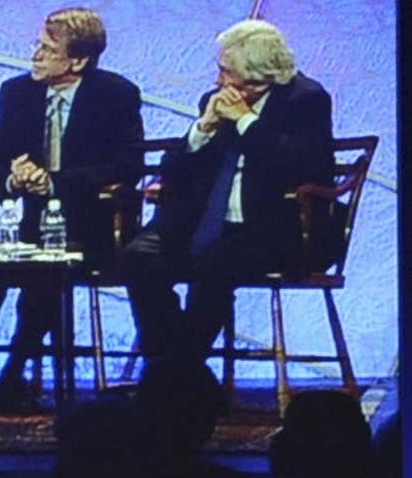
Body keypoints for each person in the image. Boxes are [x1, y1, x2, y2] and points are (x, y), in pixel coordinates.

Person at [0, 8, 142, 413]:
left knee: (45, 275)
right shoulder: (18, 93)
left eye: (47, 49)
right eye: (37, 44)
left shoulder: (115, 95)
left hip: (90, 223)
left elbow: (126, 168)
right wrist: (12, 180)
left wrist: (54, 181)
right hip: (23, 224)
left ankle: (14, 371)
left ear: (78, 61)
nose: (35, 55)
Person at [122, 19, 336, 365]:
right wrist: (203, 129)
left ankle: (176, 373)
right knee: (138, 255)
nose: (218, 80)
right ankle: (176, 367)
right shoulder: (213, 99)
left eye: (226, 72)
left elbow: (299, 168)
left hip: (269, 226)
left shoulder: (306, 99)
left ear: (259, 75)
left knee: (214, 264)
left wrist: (246, 120)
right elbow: (174, 169)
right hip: (200, 221)